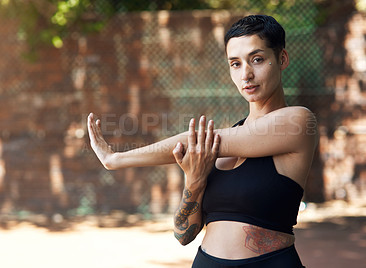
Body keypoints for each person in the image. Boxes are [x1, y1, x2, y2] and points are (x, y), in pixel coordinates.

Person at [88, 14, 318, 268]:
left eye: (257, 59)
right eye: (236, 64)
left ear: (281, 59)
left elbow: (194, 140)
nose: (247, 74)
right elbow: (183, 235)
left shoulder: (297, 121)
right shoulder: (227, 140)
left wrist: (115, 159)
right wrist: (194, 182)